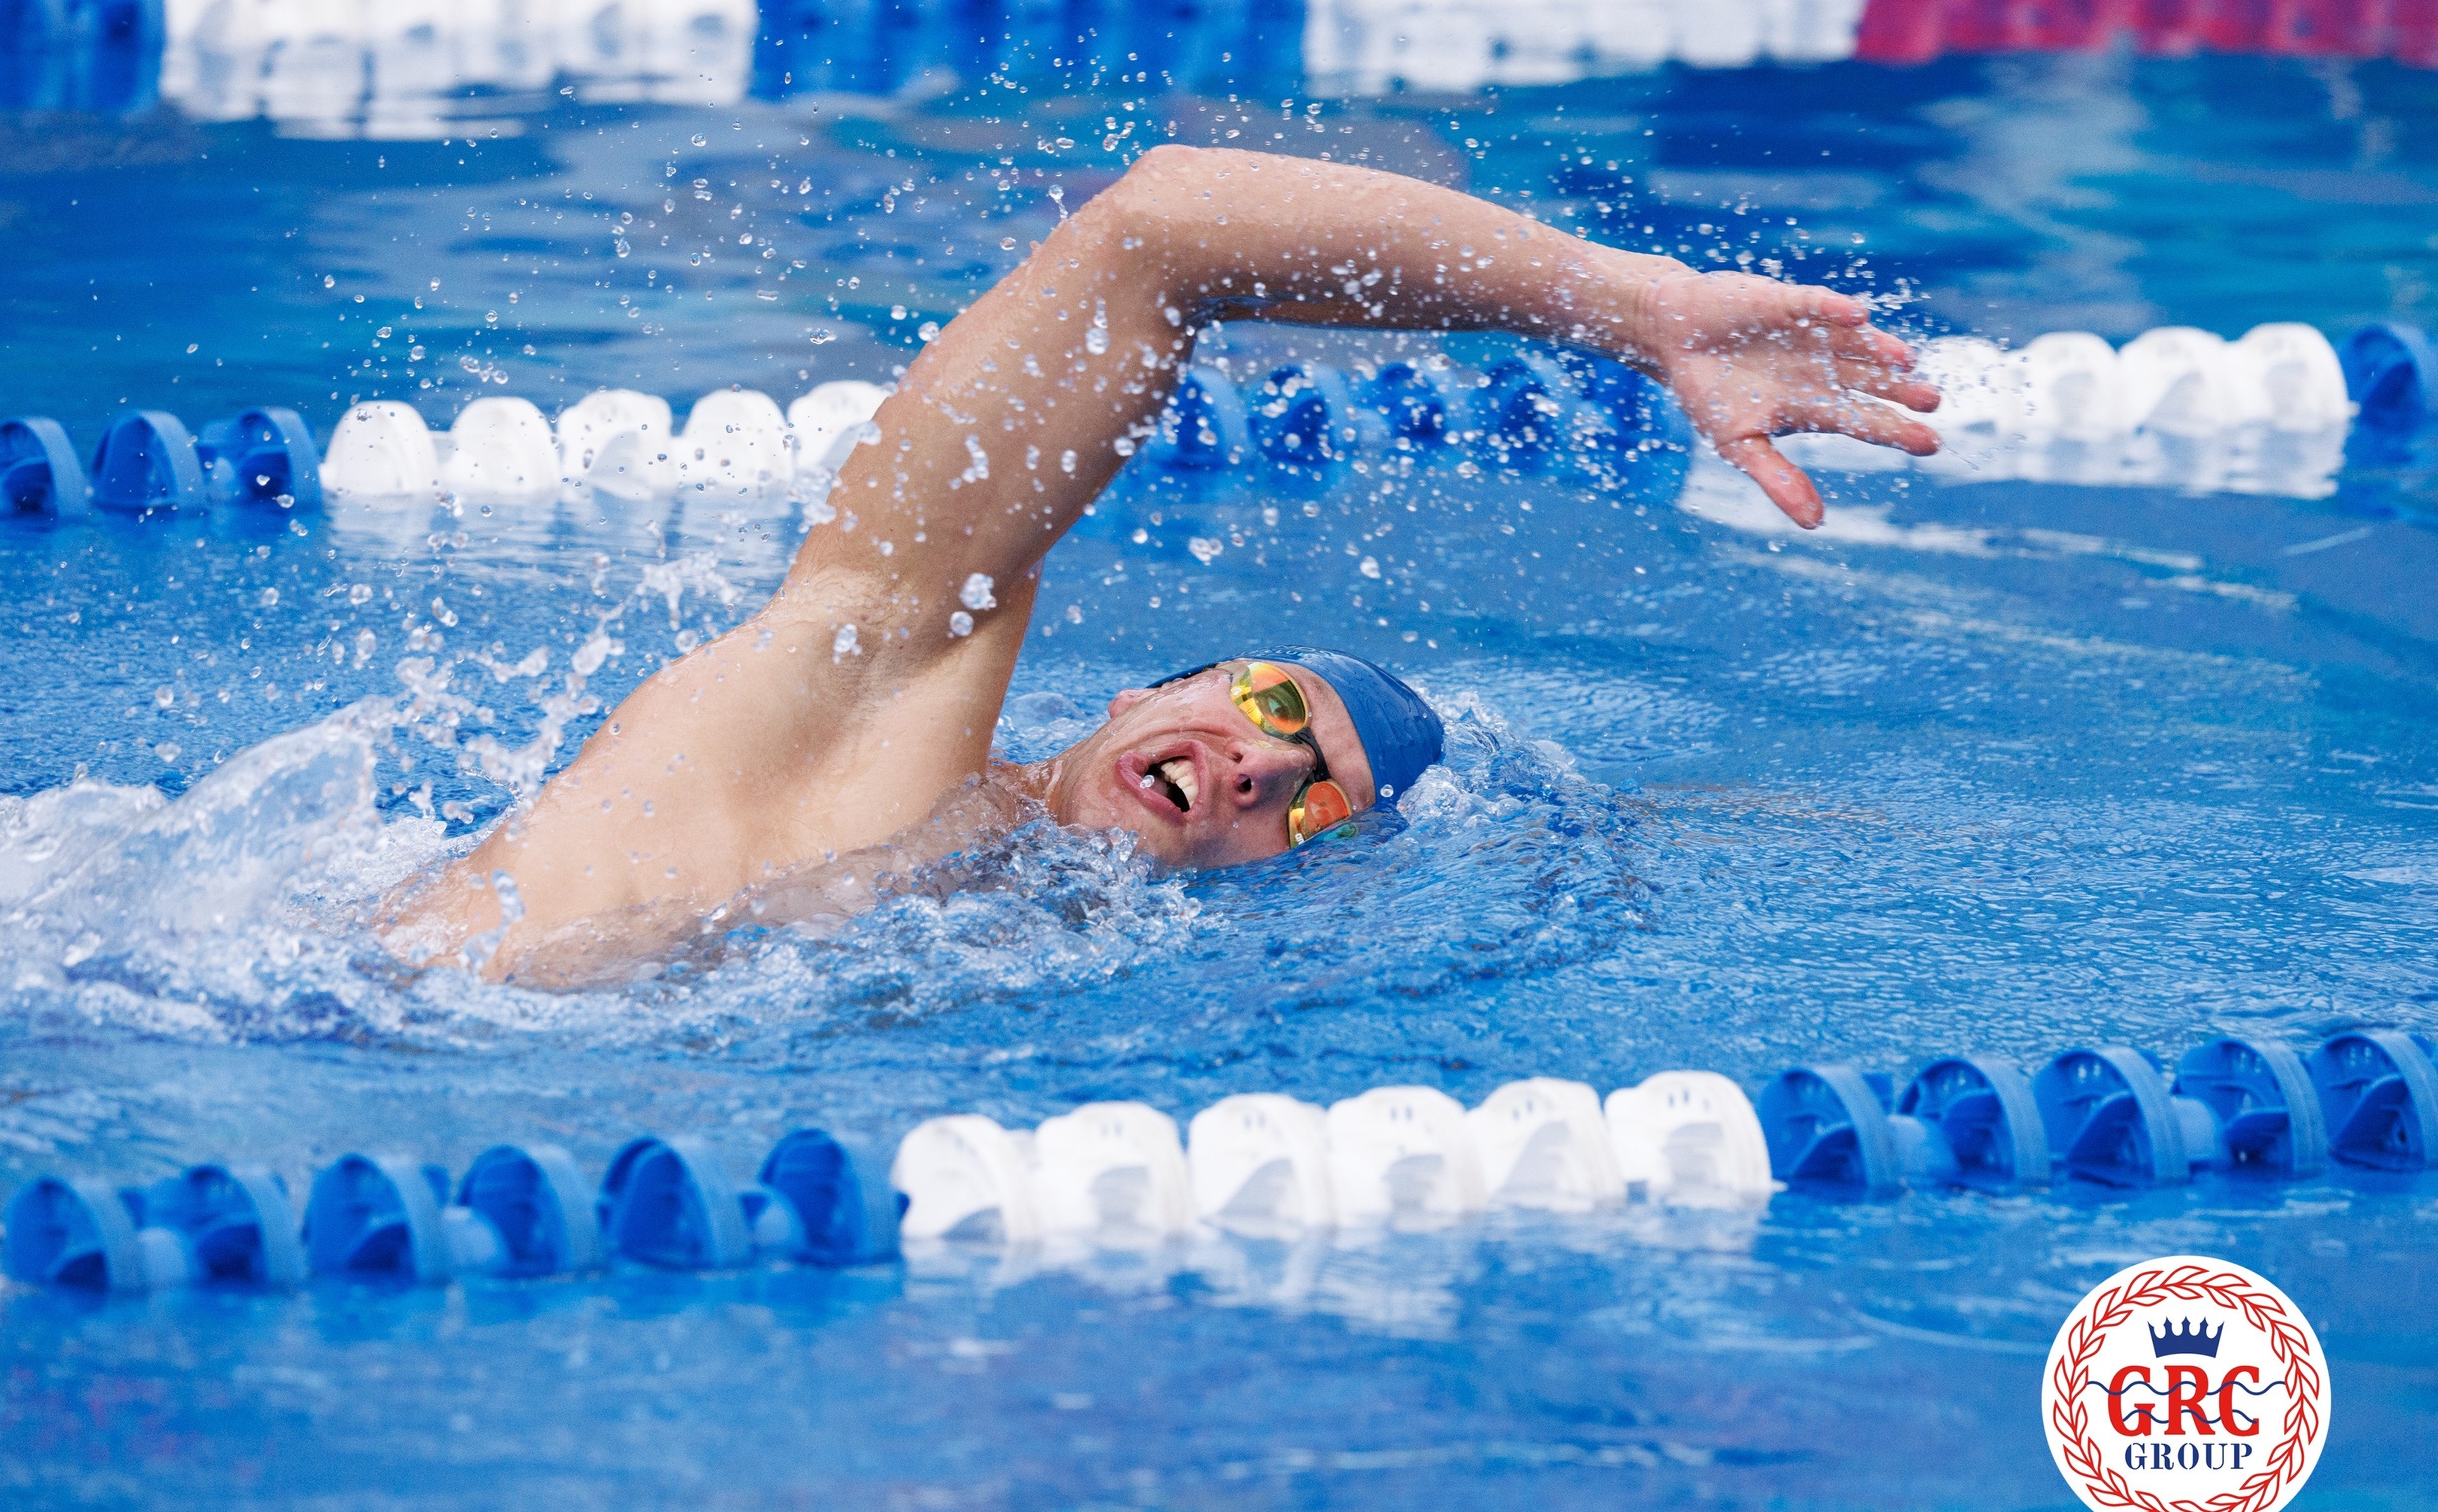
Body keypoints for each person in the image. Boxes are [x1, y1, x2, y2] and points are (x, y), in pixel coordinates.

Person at [385, 146, 1941, 982]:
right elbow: (1161, 232)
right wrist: (1623, 305)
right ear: (1150, 691)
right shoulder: (865, 691)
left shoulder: (989, 968)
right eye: (1271, 704)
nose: (1257, 766)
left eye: (1310, 789)